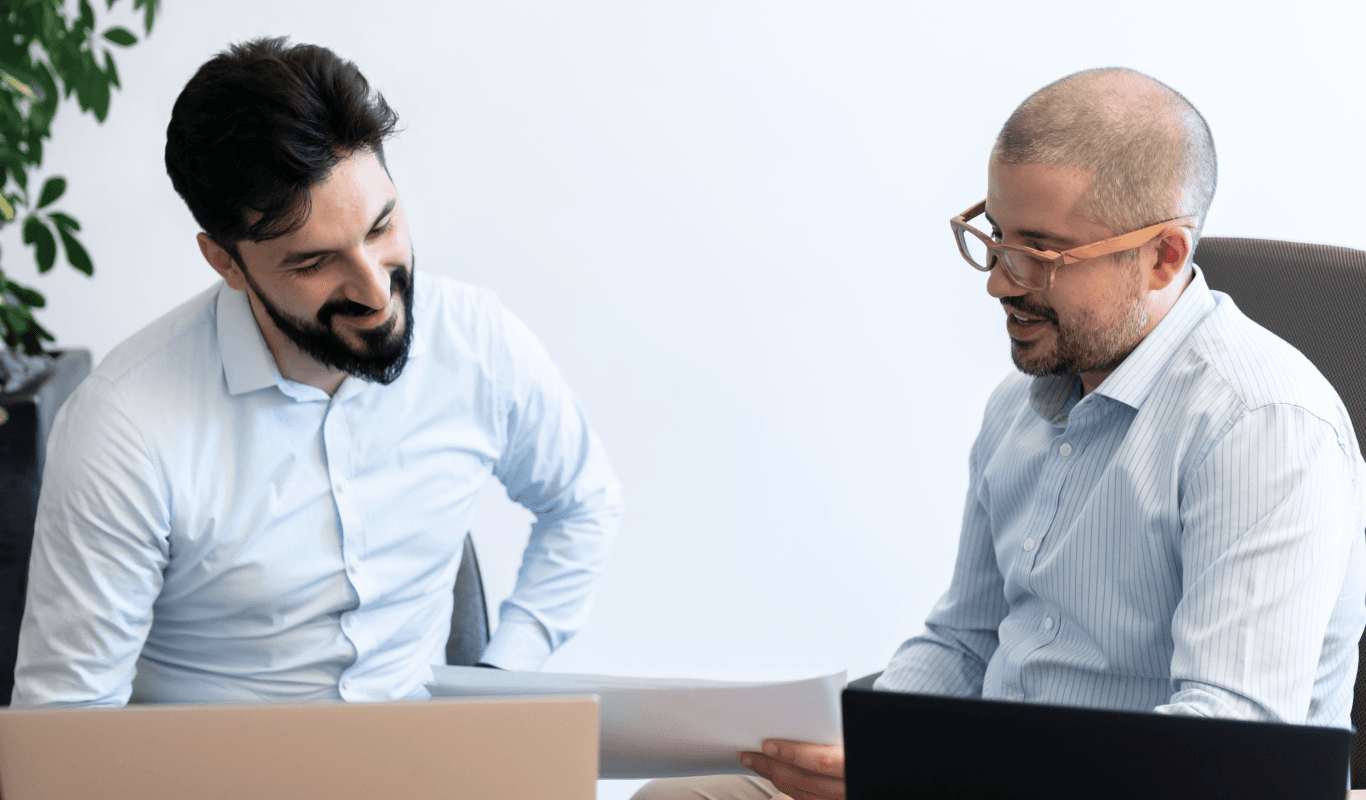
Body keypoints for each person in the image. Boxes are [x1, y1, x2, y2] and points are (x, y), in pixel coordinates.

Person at [635, 66, 1366, 800]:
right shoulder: (1018, 407)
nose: (998, 282)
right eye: (996, 238)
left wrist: (921, 778)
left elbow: (1224, 747)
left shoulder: (1262, 427)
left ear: (1163, 258)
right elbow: (964, 642)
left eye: (1040, 255)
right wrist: (857, 749)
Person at [11, 38, 624, 707]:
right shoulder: (123, 426)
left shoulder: (478, 342)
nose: (374, 290)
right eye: (313, 263)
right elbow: (68, 720)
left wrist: (499, 682)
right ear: (226, 262)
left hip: (435, 766)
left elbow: (582, 503)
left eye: (381, 226)